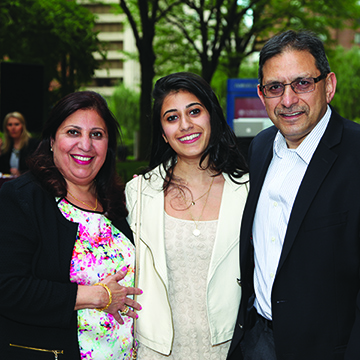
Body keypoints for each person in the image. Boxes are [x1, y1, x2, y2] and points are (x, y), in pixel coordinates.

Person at [227, 30, 360, 360]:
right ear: (262, 95)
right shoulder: (259, 148)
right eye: (275, 87)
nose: (287, 100)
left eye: (302, 83)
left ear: (328, 85)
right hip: (256, 340)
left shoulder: (356, 154)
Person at [0, 91, 142, 359]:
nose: (85, 145)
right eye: (73, 132)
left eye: (97, 134)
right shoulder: (22, 198)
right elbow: (7, 288)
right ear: (52, 140)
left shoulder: (119, 203)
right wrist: (98, 296)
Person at [125, 72, 249, 359]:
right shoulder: (139, 193)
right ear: (163, 133)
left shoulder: (247, 189)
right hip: (157, 351)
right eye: (172, 117)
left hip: (229, 348)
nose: (185, 125)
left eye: (194, 111)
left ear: (212, 117)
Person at [0, 111, 38, 176]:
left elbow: (37, 168)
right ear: (6, 128)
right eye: (10, 125)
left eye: (16, 124)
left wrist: (21, 173)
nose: (13, 128)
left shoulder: (33, 144)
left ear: (23, 126)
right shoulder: (5, 147)